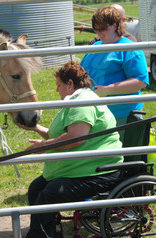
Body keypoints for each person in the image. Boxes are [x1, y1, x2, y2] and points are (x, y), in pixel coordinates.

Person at [19, 61, 124, 238]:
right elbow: (63, 135)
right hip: (85, 169)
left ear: (70, 84)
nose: (57, 90)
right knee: (36, 188)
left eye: (59, 85)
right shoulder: (78, 101)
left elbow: (76, 137)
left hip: (100, 171)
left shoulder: (82, 102)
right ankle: (48, 231)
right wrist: (36, 129)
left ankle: (41, 235)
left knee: (50, 193)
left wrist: (44, 146)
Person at [81, 6, 149, 141]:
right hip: (96, 115)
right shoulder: (95, 47)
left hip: (122, 115)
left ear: (116, 25)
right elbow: (82, 72)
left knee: (120, 158)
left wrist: (107, 90)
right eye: (96, 29)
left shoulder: (129, 48)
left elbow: (140, 82)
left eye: (103, 28)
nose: (99, 33)